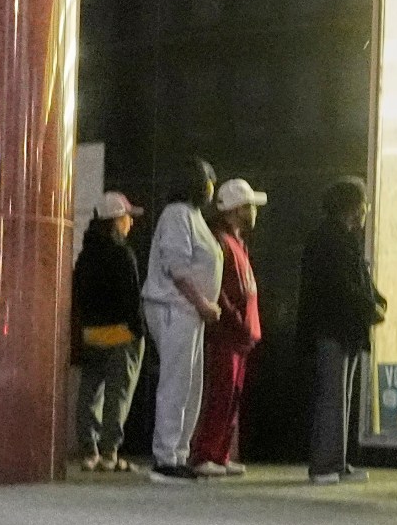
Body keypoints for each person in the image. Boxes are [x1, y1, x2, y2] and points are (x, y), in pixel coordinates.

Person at [300, 177, 385, 485]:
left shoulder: (340, 237)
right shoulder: (331, 239)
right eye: (363, 204)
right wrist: (369, 306)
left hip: (342, 329)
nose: (365, 211)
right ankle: (324, 465)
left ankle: (337, 460)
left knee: (342, 397)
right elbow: (340, 286)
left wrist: (375, 301)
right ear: (352, 207)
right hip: (332, 328)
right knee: (332, 397)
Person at [142, 160, 223, 484]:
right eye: (210, 181)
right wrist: (202, 302)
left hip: (191, 312)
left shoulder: (193, 216)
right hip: (175, 307)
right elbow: (177, 266)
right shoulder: (176, 214)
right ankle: (165, 457)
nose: (212, 188)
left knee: (190, 386)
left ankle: (178, 453)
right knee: (176, 383)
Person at [189, 178, 266, 477]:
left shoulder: (237, 242)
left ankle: (219, 454)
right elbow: (216, 287)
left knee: (232, 396)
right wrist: (233, 320)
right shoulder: (221, 241)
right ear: (236, 210)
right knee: (221, 395)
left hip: (241, 334)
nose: (254, 213)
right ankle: (206, 453)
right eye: (249, 207)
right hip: (227, 334)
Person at [72, 191, 146, 471]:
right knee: (117, 397)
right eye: (127, 217)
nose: (131, 223)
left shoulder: (85, 257)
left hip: (92, 335)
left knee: (89, 394)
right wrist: (138, 331)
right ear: (116, 220)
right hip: (121, 337)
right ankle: (109, 453)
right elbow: (131, 299)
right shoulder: (122, 254)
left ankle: (88, 451)